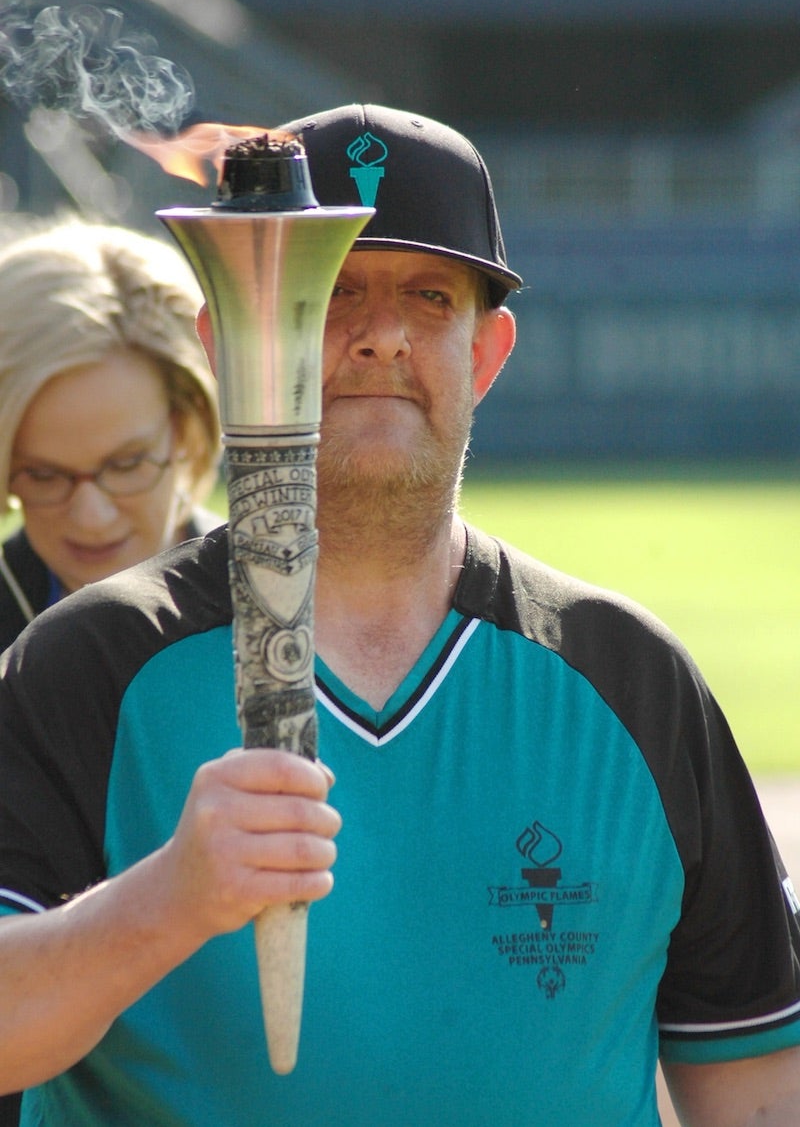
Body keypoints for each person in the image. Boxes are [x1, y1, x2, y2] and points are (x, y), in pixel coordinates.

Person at [0, 104, 798, 1126]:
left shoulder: (629, 679)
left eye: (428, 298)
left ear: (486, 352)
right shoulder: (87, 667)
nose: (380, 336)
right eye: (333, 291)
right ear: (232, 341)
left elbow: (758, 1088)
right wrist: (163, 901)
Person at [0, 215, 223, 654]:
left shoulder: (283, 599)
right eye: (44, 476)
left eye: (127, 464)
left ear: (184, 428)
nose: (92, 518)